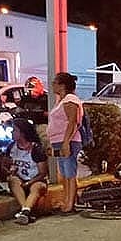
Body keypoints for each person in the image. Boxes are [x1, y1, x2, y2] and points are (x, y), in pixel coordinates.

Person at [0, 118, 48, 225]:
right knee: (13, 180)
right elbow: (3, 166)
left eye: (15, 130)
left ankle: (24, 212)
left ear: (23, 133)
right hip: (20, 182)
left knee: (37, 187)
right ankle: (26, 211)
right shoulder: (11, 147)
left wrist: (29, 183)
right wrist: (10, 170)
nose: (12, 132)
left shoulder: (36, 149)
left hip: (35, 181)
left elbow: (42, 173)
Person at [48, 72, 84, 214]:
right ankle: (68, 200)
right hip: (59, 140)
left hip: (67, 140)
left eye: (55, 82)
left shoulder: (70, 100)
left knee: (69, 173)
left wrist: (66, 142)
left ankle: (69, 204)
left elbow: (72, 122)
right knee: (64, 172)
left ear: (62, 85)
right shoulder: (61, 101)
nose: (52, 85)